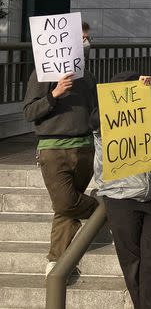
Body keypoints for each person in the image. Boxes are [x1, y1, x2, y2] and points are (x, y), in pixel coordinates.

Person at [92, 72, 151, 309]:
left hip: (150, 196)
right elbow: (95, 120)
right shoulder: (104, 121)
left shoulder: (149, 123)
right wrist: (131, 92)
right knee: (132, 263)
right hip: (120, 197)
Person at [23, 55, 99, 275]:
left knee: (65, 209)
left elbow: (97, 109)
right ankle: (105, 209)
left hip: (85, 148)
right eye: (81, 37)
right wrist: (54, 94)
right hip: (53, 149)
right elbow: (29, 112)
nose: (85, 42)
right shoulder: (41, 73)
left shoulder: (88, 76)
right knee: (65, 202)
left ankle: (57, 262)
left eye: (86, 38)